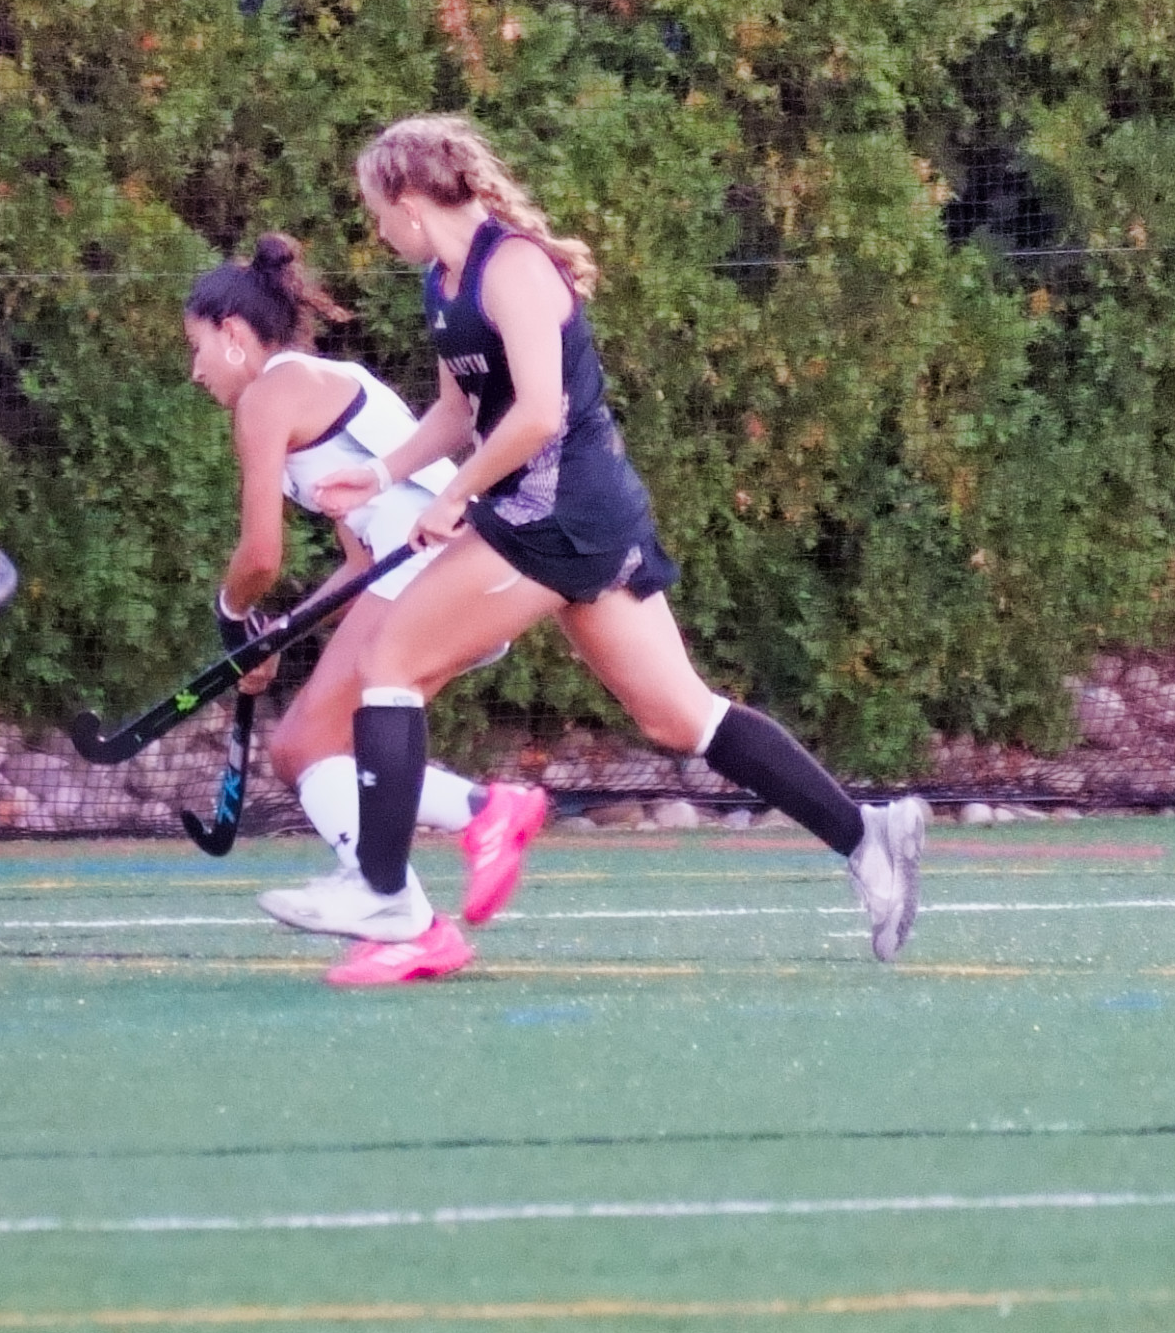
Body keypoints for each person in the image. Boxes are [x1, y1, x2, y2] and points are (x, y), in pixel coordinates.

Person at [303, 116, 922, 984]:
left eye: (376, 210)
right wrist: (378, 477)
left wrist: (450, 497)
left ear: (408, 199)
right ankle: (867, 834)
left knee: (390, 660)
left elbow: (537, 415)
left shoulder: (512, 267)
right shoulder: (442, 284)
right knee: (678, 715)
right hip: (561, 512)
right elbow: (457, 411)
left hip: (559, 514)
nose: (375, 229)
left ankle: (380, 890)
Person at [180, 232, 550, 932]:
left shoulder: (267, 397)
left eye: (196, 347)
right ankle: (463, 835)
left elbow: (260, 554)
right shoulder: (327, 385)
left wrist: (232, 616)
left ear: (232, 334)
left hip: (433, 568)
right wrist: (275, 639)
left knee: (300, 748)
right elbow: (357, 563)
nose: (195, 371)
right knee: (328, 749)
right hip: (455, 575)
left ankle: (401, 894)